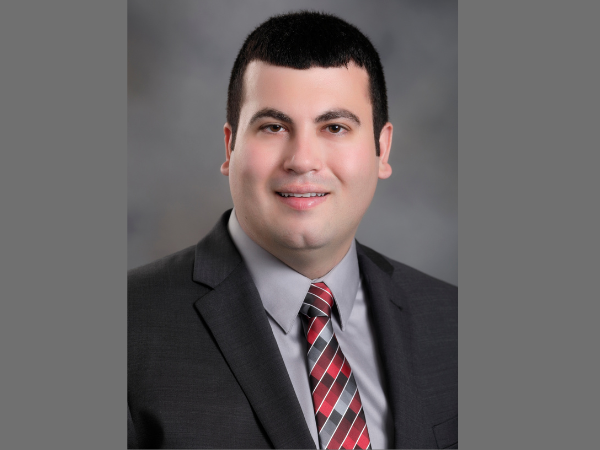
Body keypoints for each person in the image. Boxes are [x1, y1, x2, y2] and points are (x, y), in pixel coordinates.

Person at [128, 11, 457, 450]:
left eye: (335, 127)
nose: (302, 160)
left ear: (382, 149)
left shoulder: (454, 323)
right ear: (230, 147)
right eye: (273, 127)